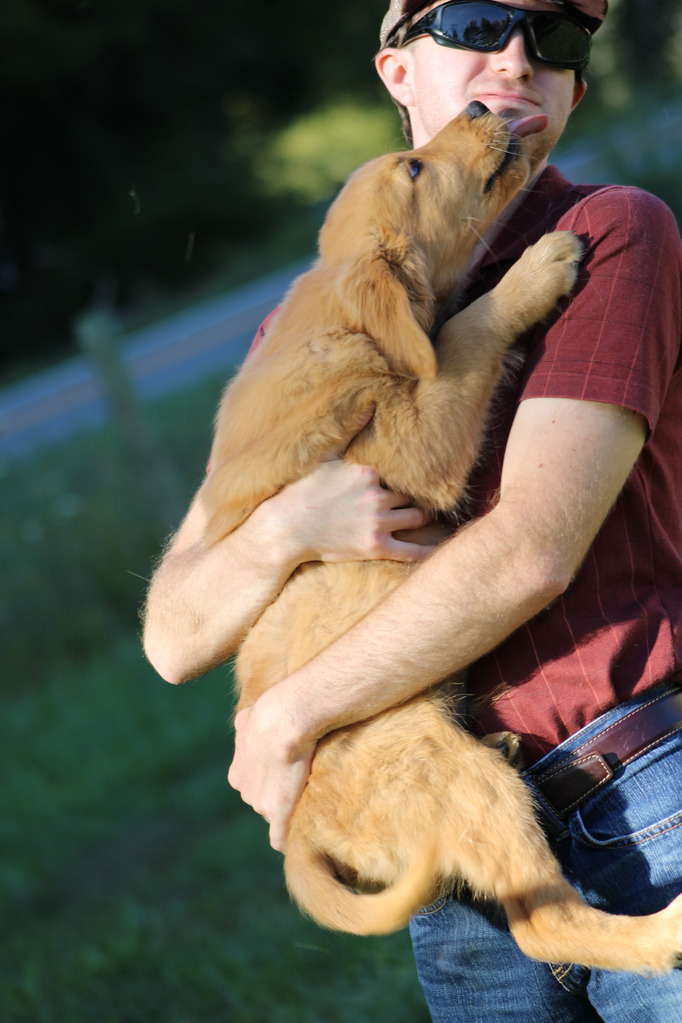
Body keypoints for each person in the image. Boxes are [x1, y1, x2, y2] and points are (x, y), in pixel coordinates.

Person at [143, 1, 682, 1019]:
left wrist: (287, 716)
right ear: (397, 71)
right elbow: (175, 633)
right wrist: (281, 531)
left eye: (558, 41)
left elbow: (528, 553)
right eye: (481, 23)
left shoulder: (606, 231)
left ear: (575, 82)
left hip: (639, 790)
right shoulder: (303, 321)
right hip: (453, 878)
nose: (519, 60)